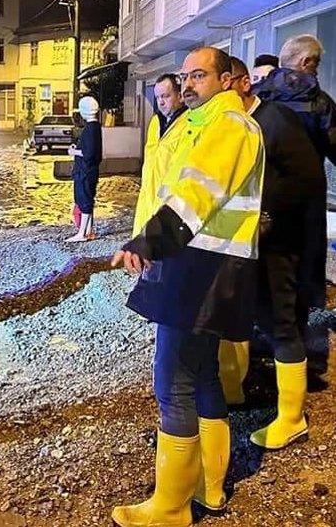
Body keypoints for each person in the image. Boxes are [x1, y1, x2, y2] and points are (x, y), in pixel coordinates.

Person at [110, 47, 266, 526]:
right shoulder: (206, 123)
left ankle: (171, 506)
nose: (188, 84)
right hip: (209, 266)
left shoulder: (229, 126)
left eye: (199, 75)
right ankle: (210, 489)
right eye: (185, 76)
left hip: (200, 268)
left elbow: (198, 192)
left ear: (227, 80)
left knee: (172, 380)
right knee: (201, 376)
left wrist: (149, 241)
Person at [216, 57, 323, 451]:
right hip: (245, 242)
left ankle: (292, 419)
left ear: (243, 83)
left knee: (281, 324)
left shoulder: (275, 120)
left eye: (224, 85)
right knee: (241, 314)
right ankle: (233, 389)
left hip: (279, 244)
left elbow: (307, 179)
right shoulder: (236, 125)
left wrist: (267, 216)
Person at [254, 34, 336, 383]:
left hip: (261, 203)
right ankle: (298, 354)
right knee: (300, 276)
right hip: (304, 206)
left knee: (261, 272)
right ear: (306, 63)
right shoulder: (319, 103)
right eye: (317, 63)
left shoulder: (258, 97)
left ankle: (258, 344)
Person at [134, 74, 188, 236]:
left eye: (166, 96)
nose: (161, 102)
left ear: (180, 96)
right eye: (158, 97)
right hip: (147, 200)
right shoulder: (155, 122)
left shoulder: (189, 124)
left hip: (169, 206)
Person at [66, 96, 103, 242]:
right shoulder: (95, 127)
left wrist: (74, 152)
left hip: (85, 171)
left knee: (84, 199)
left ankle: (82, 233)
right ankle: (88, 231)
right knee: (87, 199)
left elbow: (89, 153)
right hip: (89, 170)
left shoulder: (90, 128)